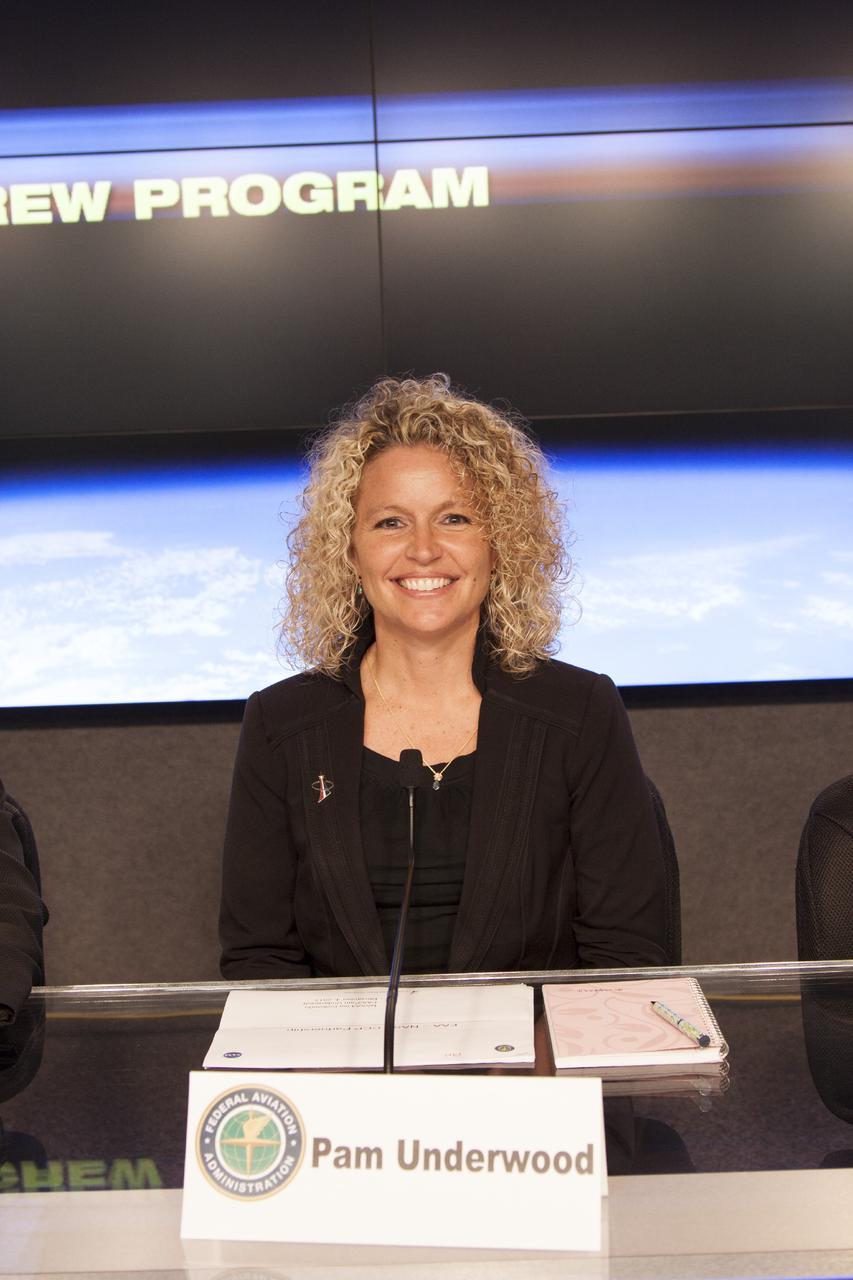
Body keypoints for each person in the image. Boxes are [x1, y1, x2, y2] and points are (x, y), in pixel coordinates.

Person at [219, 374, 669, 980]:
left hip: (533, 1065)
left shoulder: (580, 711)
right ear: (350, 553)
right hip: (347, 1069)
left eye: (454, 518)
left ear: (499, 544)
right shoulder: (282, 724)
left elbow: (627, 955)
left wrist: (525, 1070)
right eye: (390, 523)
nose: (424, 549)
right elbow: (260, 959)